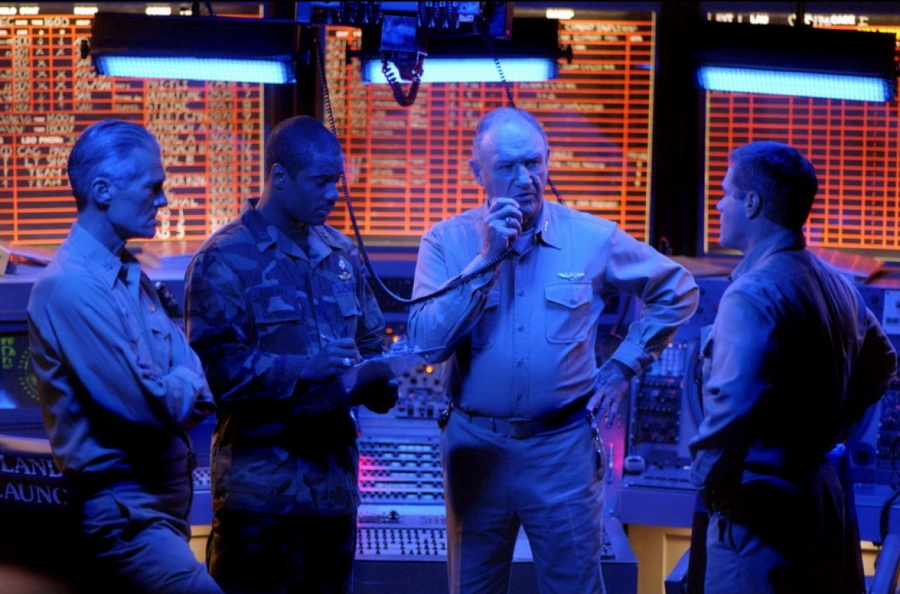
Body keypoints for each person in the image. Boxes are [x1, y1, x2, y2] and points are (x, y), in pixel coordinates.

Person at [408, 107, 700, 593]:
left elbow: (679, 290)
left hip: (561, 451)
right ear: (478, 172)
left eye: (534, 163)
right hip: (476, 451)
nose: (526, 179)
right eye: (507, 167)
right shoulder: (446, 242)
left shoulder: (592, 237)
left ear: (548, 160)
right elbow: (426, 344)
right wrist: (487, 258)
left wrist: (624, 365)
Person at [185, 115, 396, 593]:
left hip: (333, 493)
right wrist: (305, 370)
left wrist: (380, 381)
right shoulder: (224, 259)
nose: (334, 194)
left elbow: (370, 342)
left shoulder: (341, 254)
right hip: (259, 498)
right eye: (321, 182)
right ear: (279, 177)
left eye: (337, 182)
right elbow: (213, 371)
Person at [688, 141, 897, 593]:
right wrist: (833, 424)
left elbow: (731, 410)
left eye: (725, 193)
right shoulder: (836, 283)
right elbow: (883, 363)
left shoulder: (752, 293)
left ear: (752, 202)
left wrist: (706, 483)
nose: (719, 205)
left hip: (757, 516)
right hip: (819, 500)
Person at [26, 119, 222, 594]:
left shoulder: (128, 273)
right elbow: (154, 407)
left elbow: (195, 386)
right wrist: (183, 380)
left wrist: (180, 381)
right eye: (152, 187)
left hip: (159, 514)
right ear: (102, 190)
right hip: (128, 519)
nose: (163, 201)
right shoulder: (71, 286)